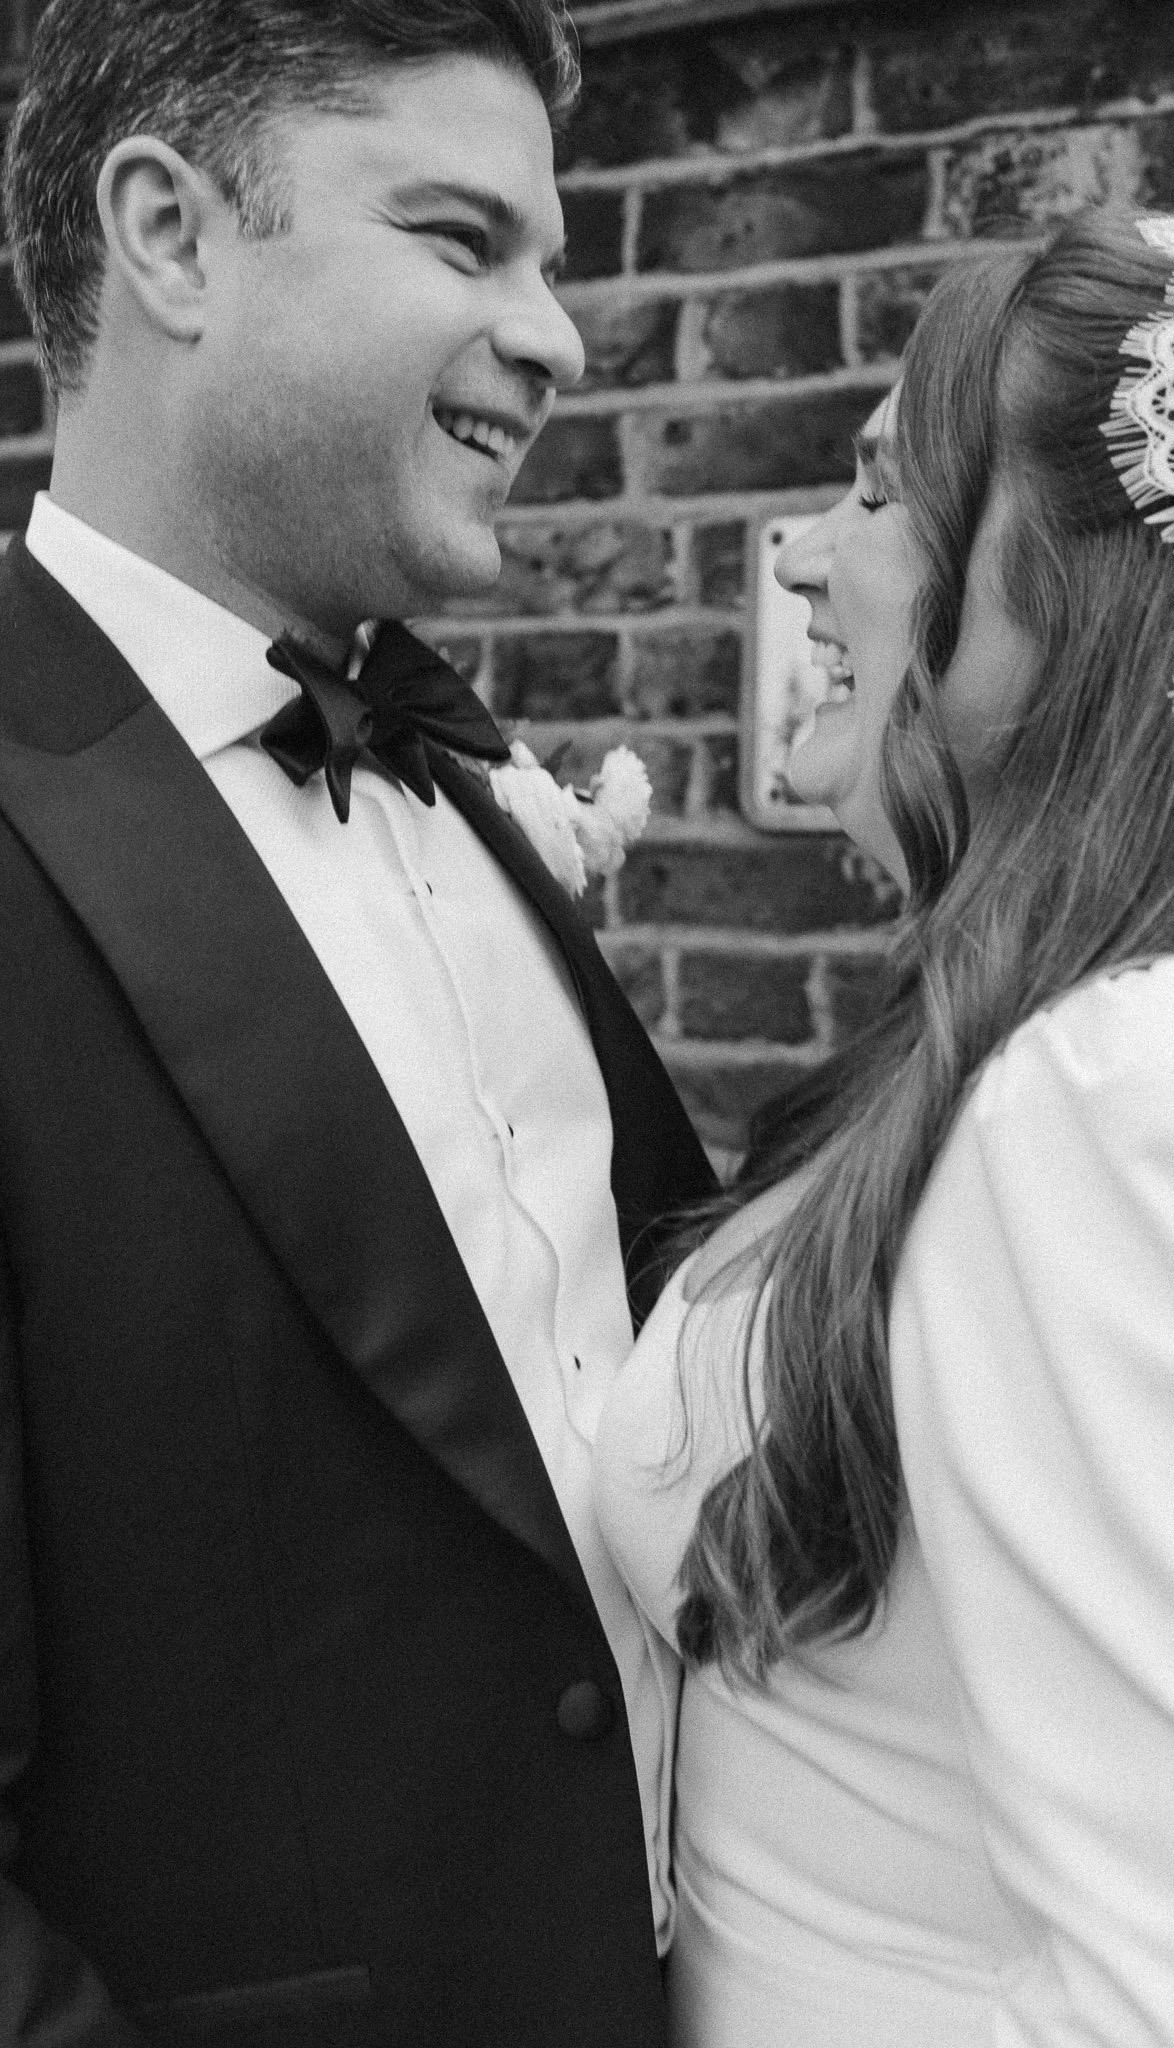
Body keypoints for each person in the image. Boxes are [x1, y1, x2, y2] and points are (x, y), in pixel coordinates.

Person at [0, 4, 715, 2044]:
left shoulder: (468, 798)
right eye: (463, 239)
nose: (559, 333)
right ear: (174, 236)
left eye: (553, 259)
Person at [594, 212, 1174, 2045]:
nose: (804, 563)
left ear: (1076, 591)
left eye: (881, 493)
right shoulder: (1020, 1061)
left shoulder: (1140, 1098)